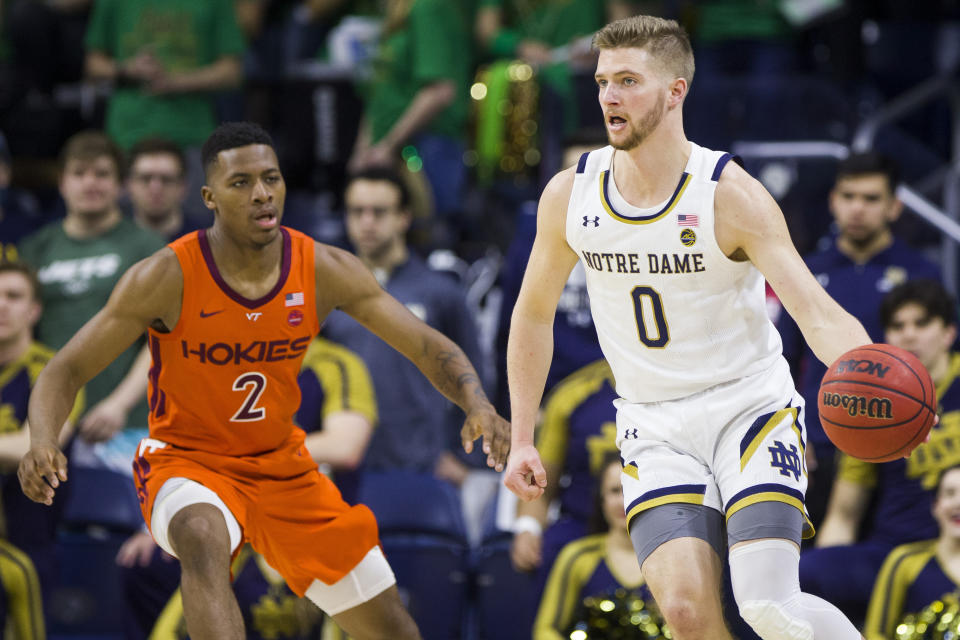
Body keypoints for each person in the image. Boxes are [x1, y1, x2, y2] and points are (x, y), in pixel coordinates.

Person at [17, 121, 509, 640]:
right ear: (208, 196)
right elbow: (64, 368)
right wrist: (43, 440)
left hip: (282, 467)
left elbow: (426, 344)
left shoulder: (323, 268)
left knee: (392, 630)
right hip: (187, 462)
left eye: (271, 179)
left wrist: (478, 403)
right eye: (241, 183)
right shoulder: (166, 275)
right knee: (204, 536)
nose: (261, 194)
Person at [504, 16, 873, 640]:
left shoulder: (730, 194)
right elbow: (532, 315)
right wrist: (520, 437)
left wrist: (876, 376)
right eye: (602, 82)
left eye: (628, 81)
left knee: (767, 604)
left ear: (676, 90)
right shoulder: (571, 194)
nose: (609, 98)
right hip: (653, 421)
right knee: (683, 613)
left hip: (748, 408)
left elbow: (816, 310)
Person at [119, 335, 378, 639]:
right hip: (236, 522)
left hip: (305, 524)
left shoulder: (335, 364)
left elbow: (345, 446)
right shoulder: (226, 361)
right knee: (143, 566)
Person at [776, 151, 941, 527]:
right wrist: (792, 431)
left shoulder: (922, 273)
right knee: (813, 560)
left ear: (894, 206)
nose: (857, 209)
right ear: (834, 201)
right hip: (819, 443)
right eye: (849, 197)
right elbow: (781, 359)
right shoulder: (806, 273)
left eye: (870, 199)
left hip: (899, 437)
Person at [800, 278, 960, 625]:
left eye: (922, 323)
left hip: (953, 542)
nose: (909, 335)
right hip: (896, 551)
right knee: (802, 575)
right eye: (898, 326)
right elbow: (844, 515)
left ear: (948, 333)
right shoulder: (870, 405)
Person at [323, 167, 485, 480]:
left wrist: (465, 457)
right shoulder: (326, 294)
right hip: (345, 466)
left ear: (404, 218)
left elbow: (474, 374)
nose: (367, 222)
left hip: (423, 467)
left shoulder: (440, 293)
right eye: (357, 212)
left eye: (379, 212)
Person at [18, 130, 165, 470]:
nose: (90, 183)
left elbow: (163, 340)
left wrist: (119, 405)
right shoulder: (35, 248)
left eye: (102, 174)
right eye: (79, 173)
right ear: (62, 182)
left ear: (120, 184)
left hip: (127, 422)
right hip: (49, 424)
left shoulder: (147, 248)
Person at [0, 260, 81, 636]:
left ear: (34, 310)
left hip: (26, 535)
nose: (2, 306)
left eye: (13, 297)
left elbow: (36, 448)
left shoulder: (56, 371)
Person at [534, 451, 665, 639]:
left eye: (632, 489)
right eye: (614, 491)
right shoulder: (578, 556)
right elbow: (545, 630)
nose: (624, 501)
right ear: (601, 499)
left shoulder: (670, 560)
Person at [863, 464, 960, 640]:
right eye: (950, 493)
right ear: (936, 506)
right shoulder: (904, 560)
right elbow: (876, 633)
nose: (958, 503)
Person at [127, 137, 205, 241]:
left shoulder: (206, 243)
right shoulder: (112, 241)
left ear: (183, 186)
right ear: (129, 184)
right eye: (145, 179)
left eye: (166, 179)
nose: (155, 188)